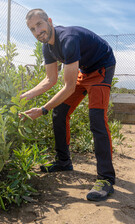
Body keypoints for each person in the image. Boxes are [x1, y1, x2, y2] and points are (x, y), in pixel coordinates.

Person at [21, 8, 116, 202]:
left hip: (101, 67)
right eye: (32, 29)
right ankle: (63, 161)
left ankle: (106, 178)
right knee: (60, 112)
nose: (37, 31)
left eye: (39, 24)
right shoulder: (47, 46)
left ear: (49, 21)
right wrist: (25, 96)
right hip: (84, 71)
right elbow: (50, 79)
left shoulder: (68, 39)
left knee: (96, 119)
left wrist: (42, 110)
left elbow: (69, 87)